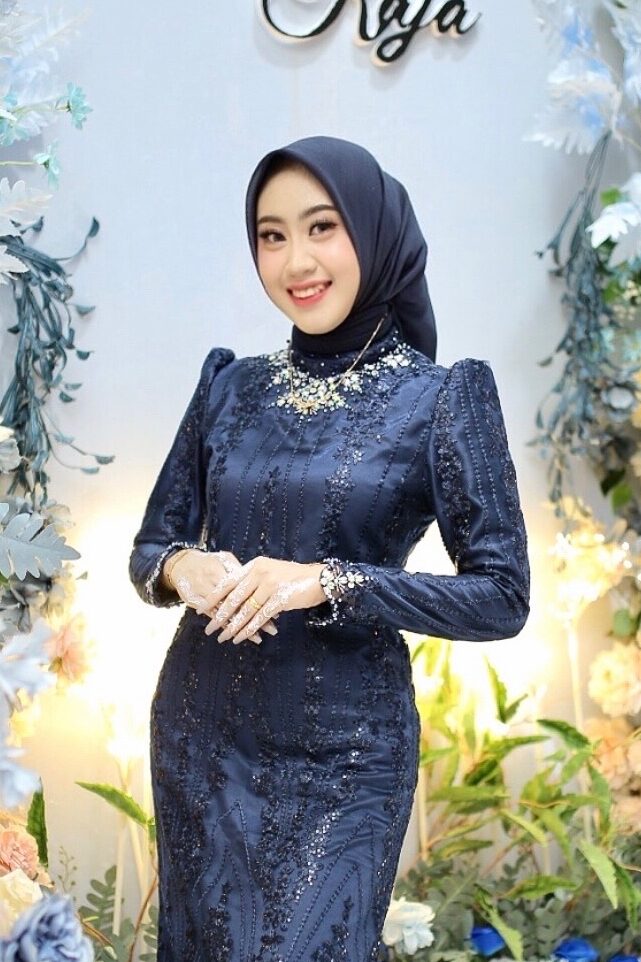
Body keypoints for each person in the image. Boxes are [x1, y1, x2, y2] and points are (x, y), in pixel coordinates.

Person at [129, 135, 530, 962]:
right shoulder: (228, 385)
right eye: (271, 236)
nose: (296, 261)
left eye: (322, 227)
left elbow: (502, 596)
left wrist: (329, 580)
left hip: (344, 750)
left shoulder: (440, 397)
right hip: (202, 731)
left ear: (373, 232)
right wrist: (182, 566)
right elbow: (150, 548)